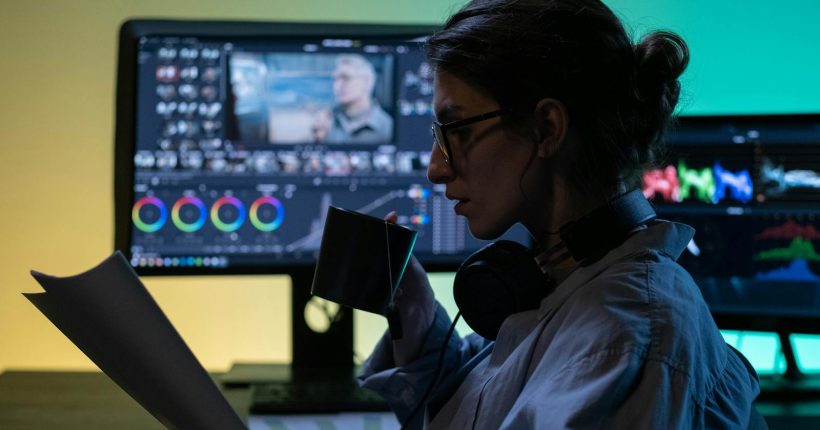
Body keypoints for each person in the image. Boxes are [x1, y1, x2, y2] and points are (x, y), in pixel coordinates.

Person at [358, 0, 764, 429]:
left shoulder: (625, 341)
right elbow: (480, 404)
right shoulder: (560, 276)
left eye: (457, 130)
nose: (436, 168)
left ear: (546, 129)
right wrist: (412, 303)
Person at [312, 54, 394, 143]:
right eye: (336, 79)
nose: (337, 86)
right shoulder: (326, 121)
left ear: (367, 82)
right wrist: (318, 140)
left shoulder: (388, 128)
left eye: (346, 78)